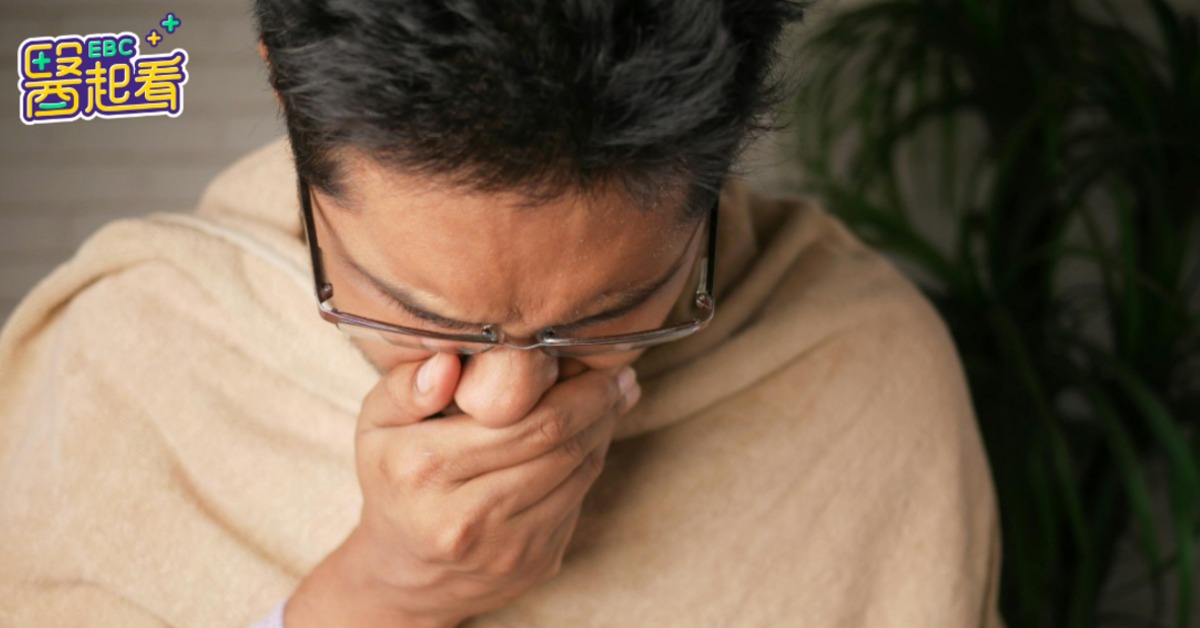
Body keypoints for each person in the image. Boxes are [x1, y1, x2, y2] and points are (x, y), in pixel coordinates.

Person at [0, 0, 1004, 626]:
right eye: (413, 311)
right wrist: (375, 598)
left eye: (617, 313)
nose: (506, 402)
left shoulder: (867, 369)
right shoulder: (127, 355)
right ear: (286, 97)